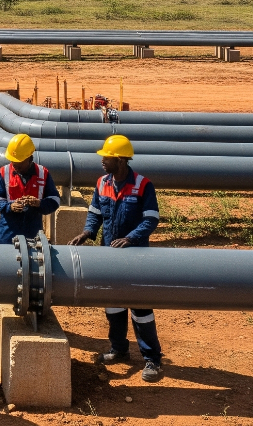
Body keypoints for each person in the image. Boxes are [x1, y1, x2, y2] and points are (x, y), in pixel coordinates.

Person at [69, 134, 164, 383]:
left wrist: (131, 238)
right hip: (109, 255)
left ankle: (152, 359)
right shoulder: (102, 183)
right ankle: (119, 349)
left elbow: (151, 218)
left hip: (136, 257)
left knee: (141, 309)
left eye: (107, 157)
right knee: (113, 305)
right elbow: (95, 213)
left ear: (120, 160)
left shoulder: (143, 185)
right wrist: (87, 232)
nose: (102, 160)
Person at [0, 133, 60, 333]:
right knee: (1, 268)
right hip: (9, 228)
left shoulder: (43, 174)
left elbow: (55, 200)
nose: (14, 164)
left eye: (18, 161)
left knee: (34, 271)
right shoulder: (5, 172)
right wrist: (10, 206)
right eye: (12, 160)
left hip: (32, 229)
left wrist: (39, 204)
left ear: (29, 158)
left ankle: (34, 312)